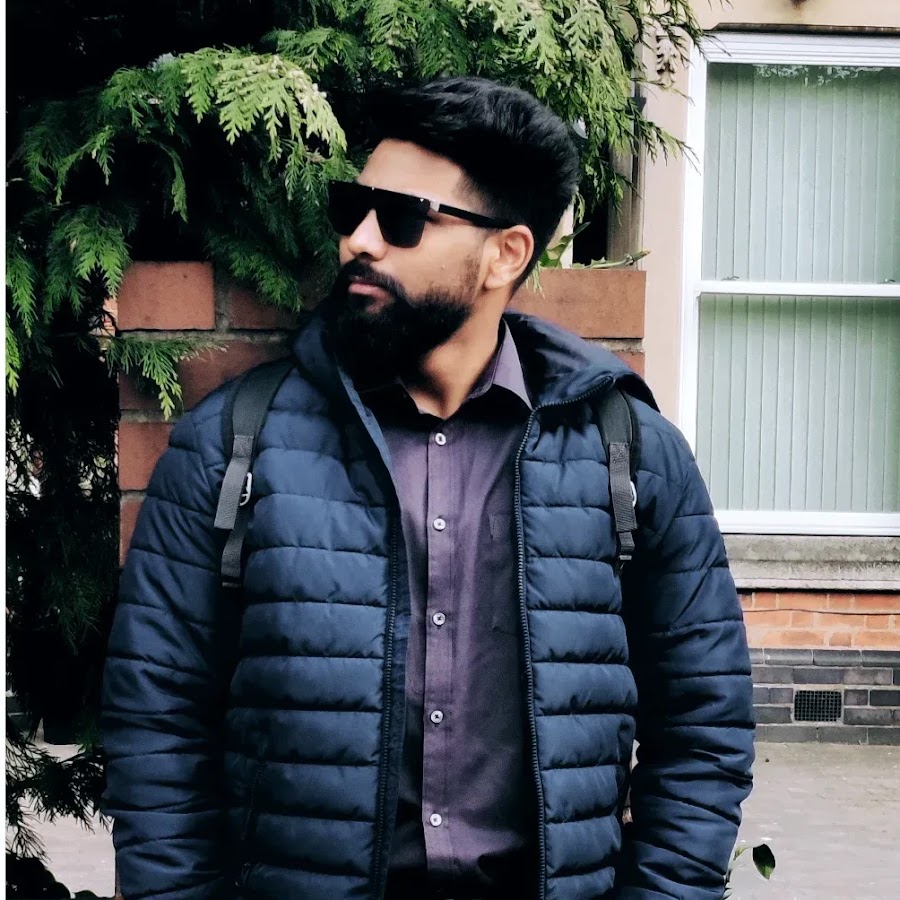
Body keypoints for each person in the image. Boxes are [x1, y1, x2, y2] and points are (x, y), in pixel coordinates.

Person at [102, 77, 754, 900]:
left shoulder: (629, 453)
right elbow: (154, 722)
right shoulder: (235, 443)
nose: (360, 241)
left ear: (505, 253)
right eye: (353, 208)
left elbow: (703, 726)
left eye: (403, 218)